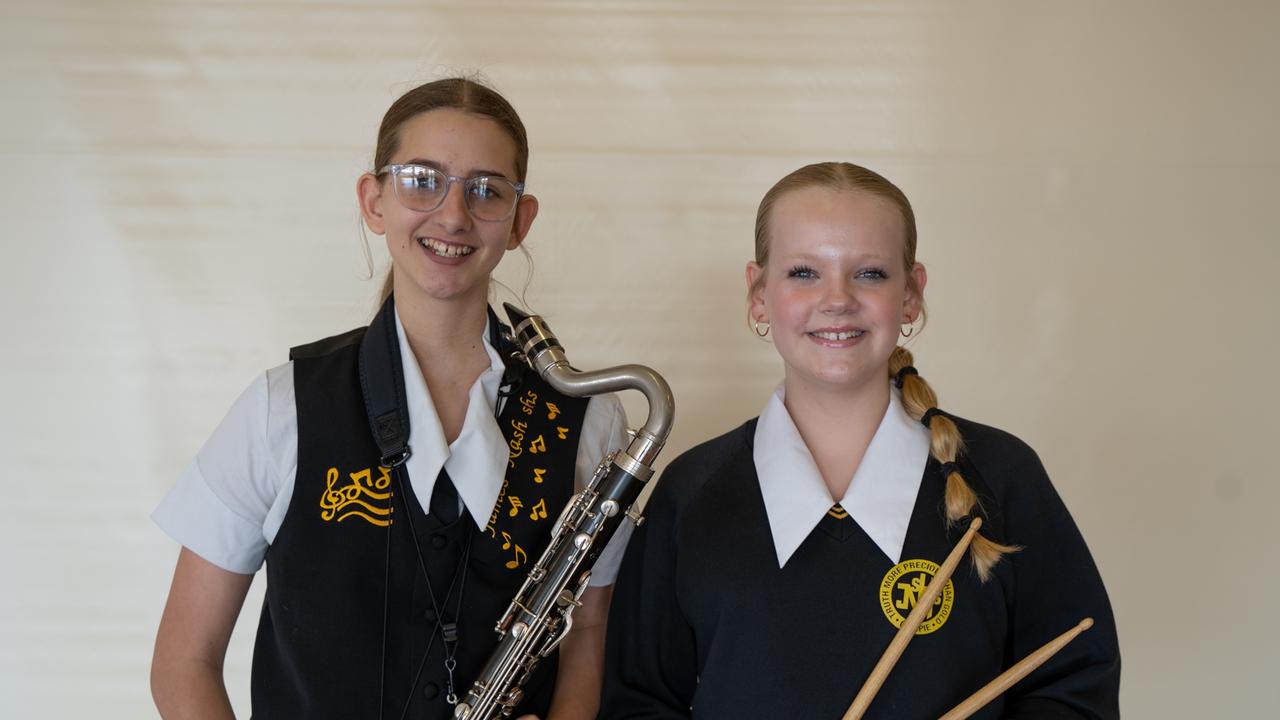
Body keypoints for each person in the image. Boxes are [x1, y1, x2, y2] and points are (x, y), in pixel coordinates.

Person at [151, 77, 630, 720]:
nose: (454, 214)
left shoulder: (590, 417)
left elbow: (589, 636)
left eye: (487, 190)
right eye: (422, 180)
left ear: (520, 220)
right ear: (373, 201)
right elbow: (185, 662)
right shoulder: (280, 407)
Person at [598, 162, 1120, 718]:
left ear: (912, 295)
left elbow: (1075, 685)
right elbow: (639, 703)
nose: (838, 298)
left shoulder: (1001, 475)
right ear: (758, 295)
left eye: (869, 273)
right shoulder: (692, 492)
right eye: (804, 272)